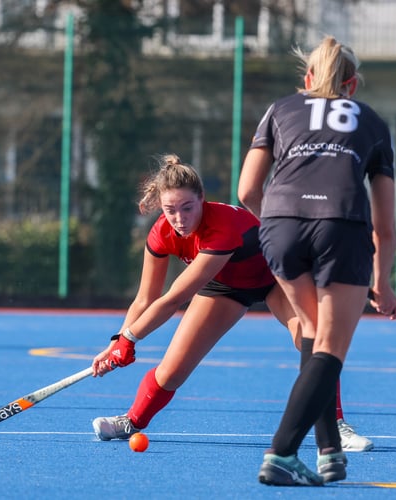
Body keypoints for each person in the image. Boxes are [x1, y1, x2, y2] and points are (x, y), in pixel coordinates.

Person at [89, 153, 371, 457]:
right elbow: (144, 299)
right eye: (170, 210)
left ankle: (335, 426)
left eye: (187, 208)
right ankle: (132, 421)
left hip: (277, 276)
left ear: (202, 199)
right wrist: (118, 340)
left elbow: (174, 298)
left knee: (311, 338)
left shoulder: (221, 227)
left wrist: (131, 338)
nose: (180, 219)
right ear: (161, 206)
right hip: (225, 287)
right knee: (172, 372)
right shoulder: (161, 234)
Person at [238, 36, 396, 486]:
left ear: (307, 79)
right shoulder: (371, 121)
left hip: (280, 227)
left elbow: (247, 191)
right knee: (331, 346)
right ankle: (281, 453)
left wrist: (279, 221)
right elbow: (384, 225)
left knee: (313, 334)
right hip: (341, 227)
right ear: (352, 85)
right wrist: (382, 283)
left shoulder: (280, 109)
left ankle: (330, 453)